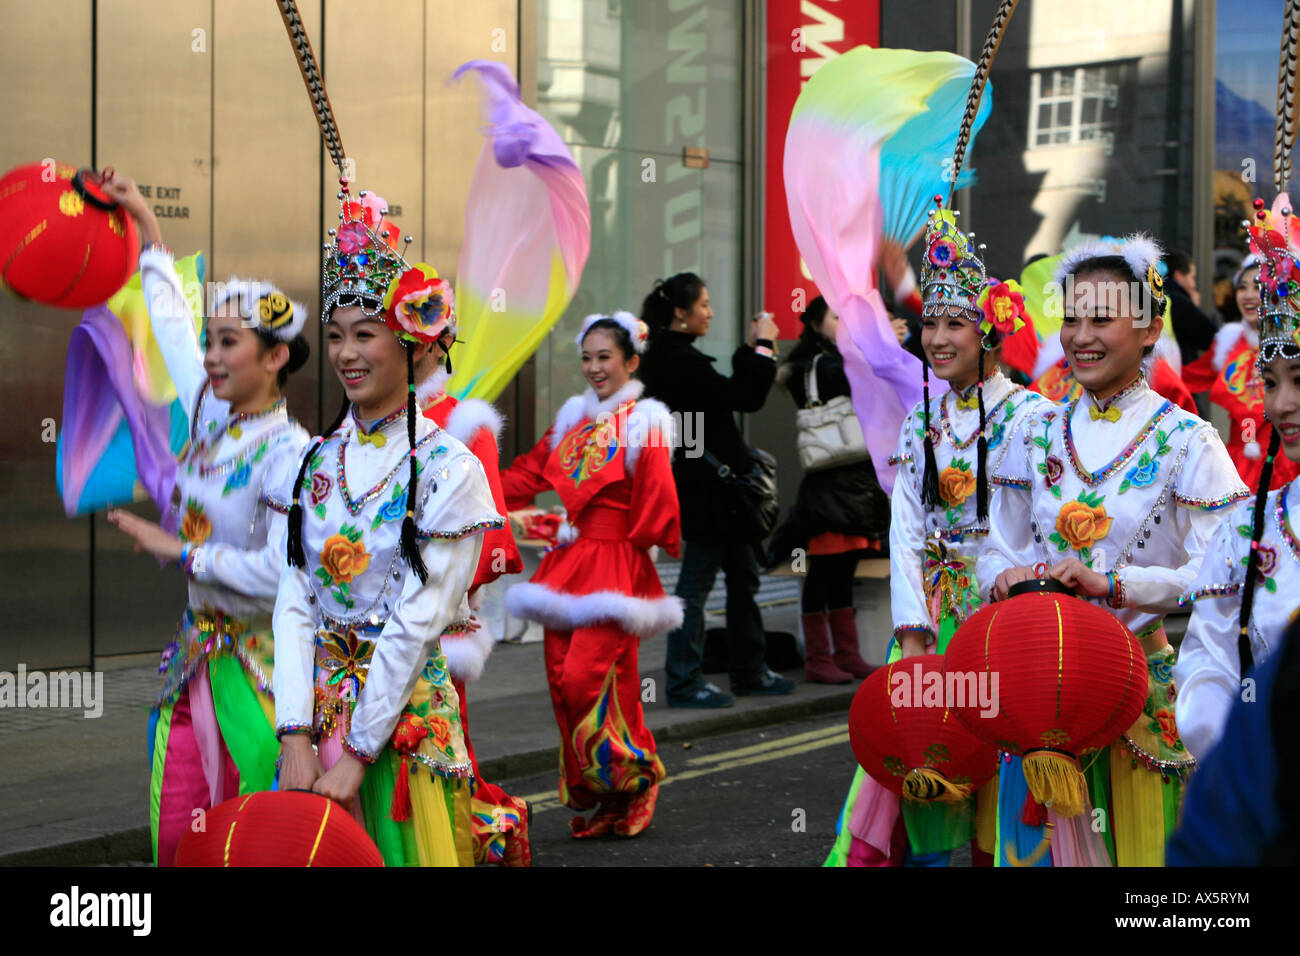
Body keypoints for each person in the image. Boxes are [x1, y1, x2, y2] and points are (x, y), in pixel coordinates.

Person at [979, 235, 1249, 867]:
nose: (1081, 336)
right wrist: (1009, 578)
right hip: (1036, 693)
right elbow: (994, 545)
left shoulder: (1188, 440)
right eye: (1071, 318)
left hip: (1138, 694)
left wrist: (1118, 586)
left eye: (1102, 319)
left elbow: (1222, 574)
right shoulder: (1033, 428)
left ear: (1150, 328)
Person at [272, 185, 503, 867]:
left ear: (411, 344)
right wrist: (294, 738)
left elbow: (419, 617)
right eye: (336, 335)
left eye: (364, 334)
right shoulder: (315, 459)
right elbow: (294, 598)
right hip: (312, 729)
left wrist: (359, 754)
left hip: (399, 731)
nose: (346, 353)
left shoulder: (447, 469)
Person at [824, 199, 1050, 867]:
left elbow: (1044, 528)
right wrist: (912, 629)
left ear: (991, 334)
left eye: (957, 323)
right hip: (932, 621)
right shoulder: (925, 420)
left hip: (1004, 623)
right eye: (931, 324)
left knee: (1004, 771)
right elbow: (908, 527)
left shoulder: (1033, 418)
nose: (939, 338)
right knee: (918, 767)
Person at [99, 175, 311, 867]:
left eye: (230, 343)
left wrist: (182, 553)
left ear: (276, 357)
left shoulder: (292, 454)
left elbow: (284, 576)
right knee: (177, 829)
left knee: (247, 833)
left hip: (264, 677)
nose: (212, 356)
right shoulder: (212, 415)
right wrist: (145, 221)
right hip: (196, 658)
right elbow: (168, 322)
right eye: (211, 341)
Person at [500, 312, 680, 838]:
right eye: (587, 357)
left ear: (631, 362)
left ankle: (638, 777)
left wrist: (639, 546)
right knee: (562, 681)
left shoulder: (647, 421)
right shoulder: (571, 421)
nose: (594, 367)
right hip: (571, 559)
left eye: (605, 357)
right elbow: (529, 474)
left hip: (616, 561)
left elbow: (658, 496)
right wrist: (464, 471)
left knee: (590, 678)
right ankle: (606, 793)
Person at [1175, 203, 1300, 762]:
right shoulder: (1245, 533)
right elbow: (1210, 659)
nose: (1281, 404)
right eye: (1270, 382)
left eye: (1299, 380)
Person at [638, 272, 795, 707]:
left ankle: (749, 671)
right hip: (711, 494)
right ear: (680, 313)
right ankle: (684, 681)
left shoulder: (671, 357)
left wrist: (751, 348)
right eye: (703, 304)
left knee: (743, 580)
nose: (709, 312)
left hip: (718, 495)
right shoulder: (678, 361)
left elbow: (729, 395)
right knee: (696, 585)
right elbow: (744, 396)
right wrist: (761, 345)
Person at [409, 305, 530, 865]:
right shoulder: (357, 428)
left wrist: (440, 593)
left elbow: (489, 536)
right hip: (364, 627)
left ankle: (459, 840)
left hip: (439, 615)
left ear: (441, 342)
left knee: (438, 746)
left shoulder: (465, 425)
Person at [776, 295, 884, 683]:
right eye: (837, 317)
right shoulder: (825, 364)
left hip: (852, 486)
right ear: (818, 322)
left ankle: (847, 654)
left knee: (842, 574)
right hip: (828, 492)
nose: (846, 325)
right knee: (821, 574)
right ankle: (819, 659)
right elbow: (868, 379)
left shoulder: (835, 359)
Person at [1182, 255, 1300, 491]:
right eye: (1242, 287)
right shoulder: (1227, 343)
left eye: (1257, 287)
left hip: (1285, 459)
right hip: (1239, 461)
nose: (1247, 295)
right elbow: (1186, 379)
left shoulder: (1292, 341)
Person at [1165, 248, 1218, 371]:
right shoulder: (1180, 302)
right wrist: (1193, 307)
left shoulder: (1152, 296)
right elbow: (1208, 337)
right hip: (1178, 373)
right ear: (1178, 275)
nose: (1193, 284)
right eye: (1192, 277)